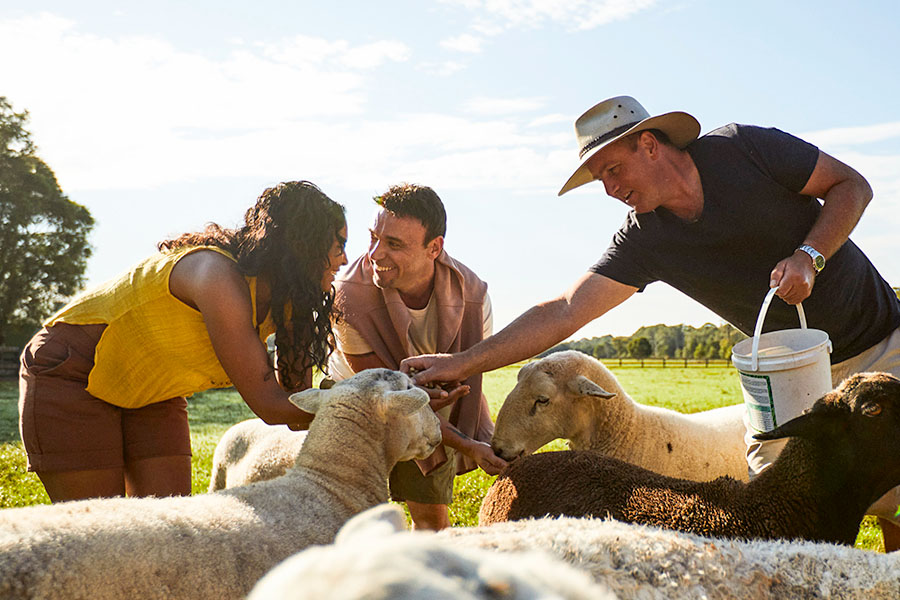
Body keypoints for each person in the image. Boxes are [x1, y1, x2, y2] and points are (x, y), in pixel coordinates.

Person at [402, 96, 900, 550]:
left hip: (880, 342)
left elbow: (851, 184)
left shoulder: (744, 149)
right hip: (784, 372)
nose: (612, 189)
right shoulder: (644, 239)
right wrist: (462, 362)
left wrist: (810, 255)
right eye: (601, 180)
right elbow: (566, 309)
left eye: (614, 170)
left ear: (649, 144)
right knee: (782, 512)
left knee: (895, 482)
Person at [19, 180, 348, 503]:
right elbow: (269, 405)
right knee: (103, 535)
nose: (344, 260)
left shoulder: (289, 303)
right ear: (305, 246)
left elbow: (294, 410)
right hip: (73, 373)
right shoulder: (216, 276)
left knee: (167, 529)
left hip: (153, 390)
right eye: (339, 246)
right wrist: (359, 404)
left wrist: (353, 406)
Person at [327, 183, 506, 530]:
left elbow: (474, 377)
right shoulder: (348, 297)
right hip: (359, 402)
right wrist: (467, 445)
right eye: (373, 237)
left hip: (433, 407)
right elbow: (385, 396)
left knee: (432, 523)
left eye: (394, 244)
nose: (375, 254)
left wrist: (484, 439)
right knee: (352, 522)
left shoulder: (474, 296)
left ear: (434, 248)